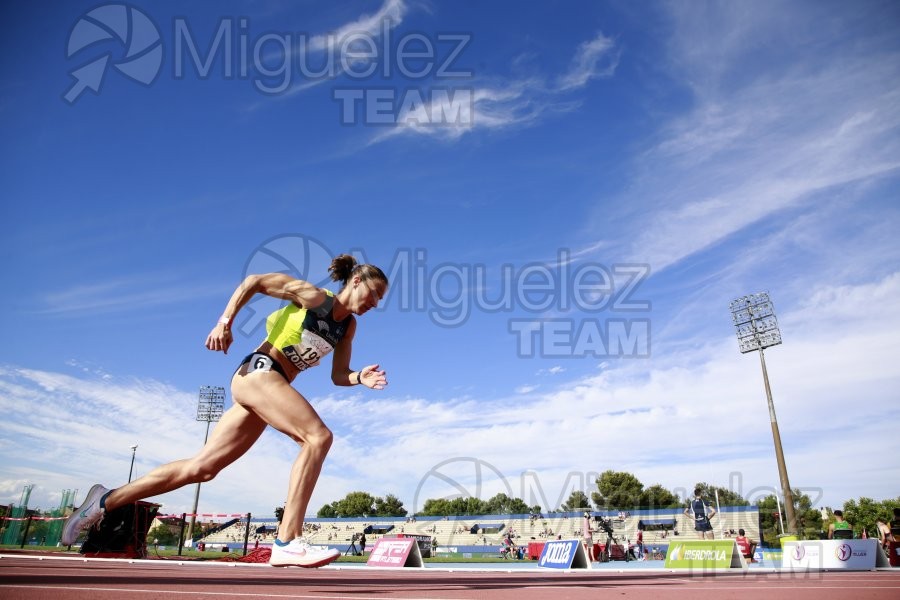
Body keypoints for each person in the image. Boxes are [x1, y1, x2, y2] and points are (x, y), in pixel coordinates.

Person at [61, 256, 389, 568]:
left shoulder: (348, 328)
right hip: (261, 371)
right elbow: (255, 281)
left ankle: (104, 501)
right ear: (356, 280)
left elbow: (338, 375)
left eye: (379, 300)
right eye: (373, 294)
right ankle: (287, 540)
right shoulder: (315, 297)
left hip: (270, 389)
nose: (375, 304)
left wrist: (359, 377)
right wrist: (225, 321)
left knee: (202, 468)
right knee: (318, 437)